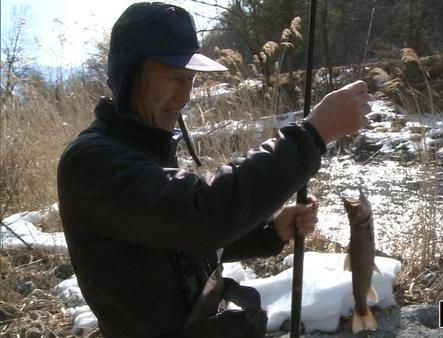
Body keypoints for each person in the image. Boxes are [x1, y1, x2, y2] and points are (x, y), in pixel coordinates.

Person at [57, 2, 370, 337]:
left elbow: (176, 238)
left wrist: (269, 232)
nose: (184, 96)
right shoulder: (92, 162)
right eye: (175, 77)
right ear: (129, 75)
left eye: (191, 79)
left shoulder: (144, 148)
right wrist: (312, 136)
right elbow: (200, 217)